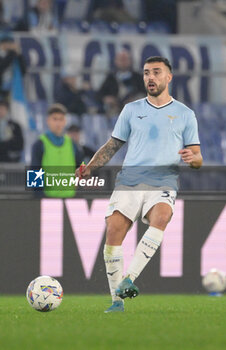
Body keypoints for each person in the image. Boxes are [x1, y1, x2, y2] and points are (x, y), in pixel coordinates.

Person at [76, 56, 203, 313]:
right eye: (146, 73)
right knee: (113, 232)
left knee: (162, 216)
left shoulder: (185, 114)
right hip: (130, 180)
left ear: (169, 77)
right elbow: (112, 145)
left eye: (156, 72)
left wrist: (194, 159)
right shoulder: (131, 110)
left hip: (163, 180)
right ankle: (117, 301)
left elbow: (197, 156)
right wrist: (90, 167)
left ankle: (129, 278)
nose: (150, 77)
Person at [31, 103, 83, 198]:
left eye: (61, 119)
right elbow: (34, 171)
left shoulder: (72, 144)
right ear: (48, 121)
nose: (58, 123)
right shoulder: (40, 144)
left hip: (70, 197)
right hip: (48, 198)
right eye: (55, 119)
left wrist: (77, 186)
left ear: (65, 121)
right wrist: (39, 196)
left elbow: (80, 167)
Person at [0, 34, 26, 100]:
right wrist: (12, 53)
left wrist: (19, 55)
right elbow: (2, 66)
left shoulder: (15, 56)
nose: (10, 45)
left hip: (13, 88)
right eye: (8, 43)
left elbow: (23, 71)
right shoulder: (11, 54)